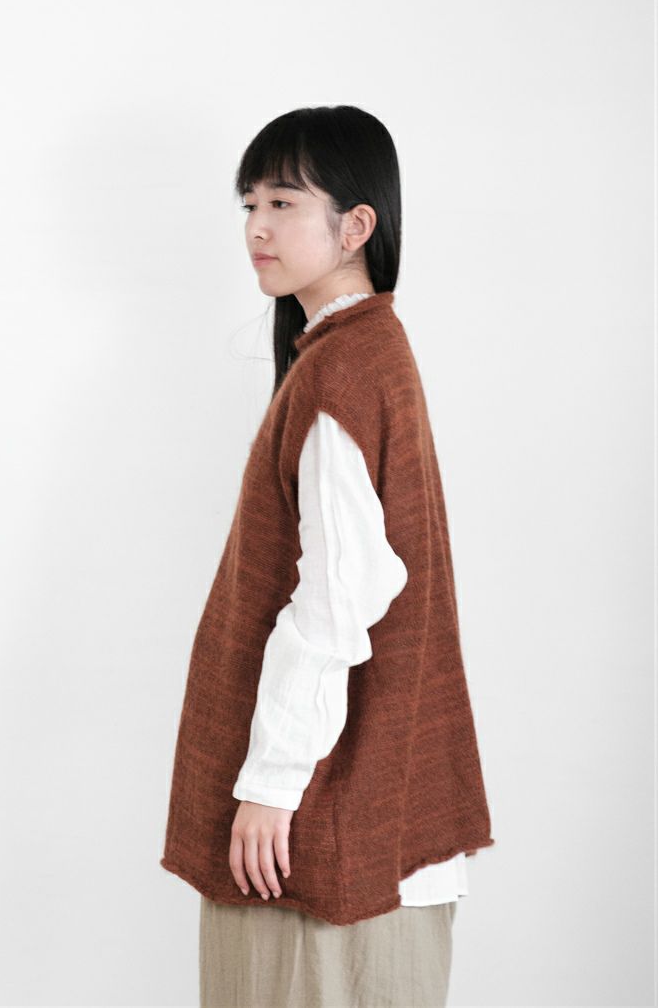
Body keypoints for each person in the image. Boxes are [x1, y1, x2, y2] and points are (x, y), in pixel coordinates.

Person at [160, 105, 495, 1007]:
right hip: (361, 800)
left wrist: (272, 782)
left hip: (322, 819)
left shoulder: (343, 367)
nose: (256, 228)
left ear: (356, 226)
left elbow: (342, 592)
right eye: (249, 204)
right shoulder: (362, 352)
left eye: (283, 202)